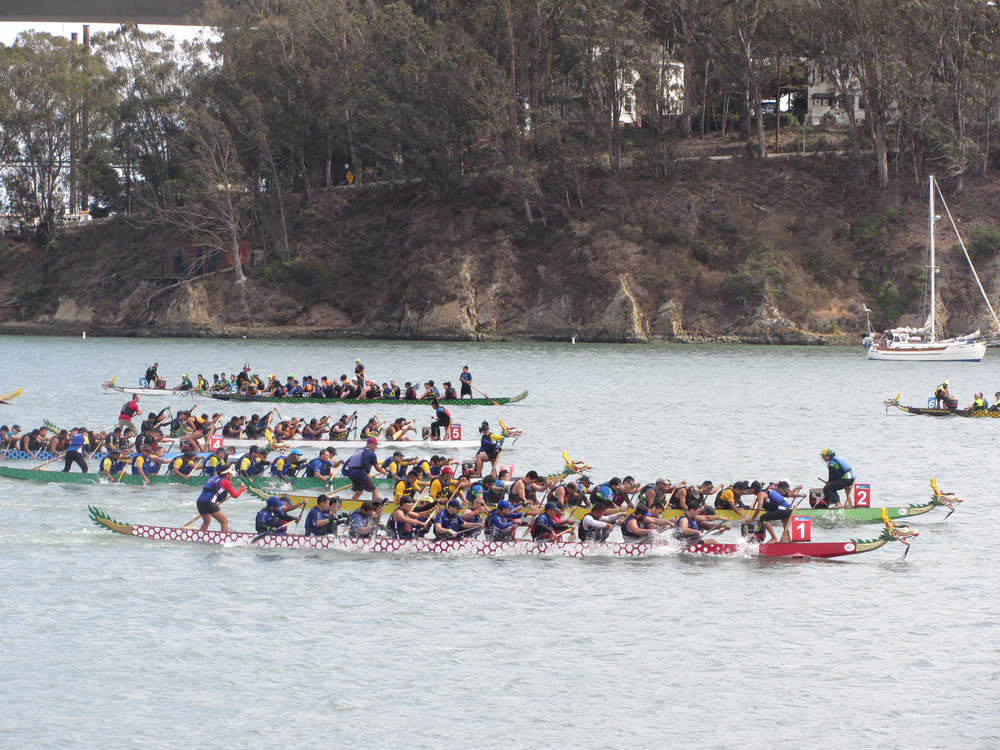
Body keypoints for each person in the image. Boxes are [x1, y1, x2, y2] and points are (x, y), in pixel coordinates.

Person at [197, 465, 243, 532]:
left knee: (206, 522)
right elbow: (235, 495)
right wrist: (242, 489)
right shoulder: (226, 482)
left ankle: (200, 535)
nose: (232, 476)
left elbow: (214, 491)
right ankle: (225, 539)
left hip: (200, 502)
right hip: (209, 502)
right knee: (224, 521)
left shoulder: (213, 478)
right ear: (227, 474)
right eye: (231, 474)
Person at [345, 437, 388, 504]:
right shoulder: (371, 453)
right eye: (374, 444)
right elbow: (377, 468)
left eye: (376, 445)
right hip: (360, 473)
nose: (376, 446)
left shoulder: (359, 451)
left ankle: (350, 504)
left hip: (352, 473)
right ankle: (375, 507)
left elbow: (349, 464)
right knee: (374, 490)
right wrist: (383, 471)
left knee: (359, 491)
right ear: (369, 444)